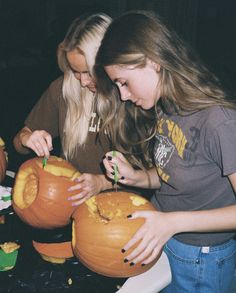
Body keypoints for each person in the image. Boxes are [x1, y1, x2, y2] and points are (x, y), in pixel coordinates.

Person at [95, 10, 236, 293]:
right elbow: (172, 175)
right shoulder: (166, 106)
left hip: (202, 259)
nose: (123, 96)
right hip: (163, 238)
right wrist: (136, 177)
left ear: (153, 61)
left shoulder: (219, 120)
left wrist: (171, 223)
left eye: (124, 82)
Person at [13, 13, 113, 206]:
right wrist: (27, 138)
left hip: (119, 207)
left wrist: (102, 182)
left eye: (89, 72)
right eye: (76, 71)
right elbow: (18, 142)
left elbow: (149, 174)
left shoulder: (129, 93)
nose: (83, 82)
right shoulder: (62, 89)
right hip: (70, 203)